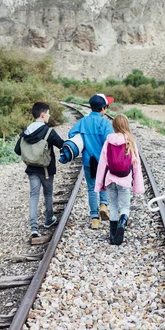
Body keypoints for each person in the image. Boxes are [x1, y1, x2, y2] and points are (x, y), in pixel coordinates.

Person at [14, 102, 64, 238]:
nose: (49, 115)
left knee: (33, 196)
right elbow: (62, 145)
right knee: (48, 194)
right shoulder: (49, 131)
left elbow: (17, 150)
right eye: (48, 113)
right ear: (43, 115)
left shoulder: (26, 131)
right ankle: (48, 220)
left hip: (31, 169)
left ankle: (34, 227)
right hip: (46, 169)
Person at [95, 114, 145, 244]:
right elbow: (136, 165)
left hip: (111, 179)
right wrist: (137, 186)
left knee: (113, 205)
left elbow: (102, 163)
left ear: (114, 126)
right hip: (125, 180)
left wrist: (99, 184)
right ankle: (122, 223)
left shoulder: (108, 141)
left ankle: (112, 236)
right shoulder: (130, 141)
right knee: (125, 206)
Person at [68, 94, 114, 229]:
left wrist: (84, 139)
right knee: (104, 183)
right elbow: (110, 140)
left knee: (92, 188)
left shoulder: (83, 122)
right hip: (103, 161)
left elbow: (71, 134)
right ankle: (104, 205)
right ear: (103, 109)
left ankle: (94, 219)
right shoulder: (105, 123)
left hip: (89, 161)